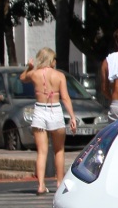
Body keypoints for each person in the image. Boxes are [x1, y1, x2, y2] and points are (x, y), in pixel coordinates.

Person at [21, 47, 78, 195]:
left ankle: (40, 184)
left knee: (42, 151)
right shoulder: (59, 76)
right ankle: (59, 182)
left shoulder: (34, 74)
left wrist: (29, 67)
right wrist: (72, 116)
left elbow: (22, 78)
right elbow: (65, 97)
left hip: (40, 110)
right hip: (55, 110)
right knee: (59, 149)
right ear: (51, 60)